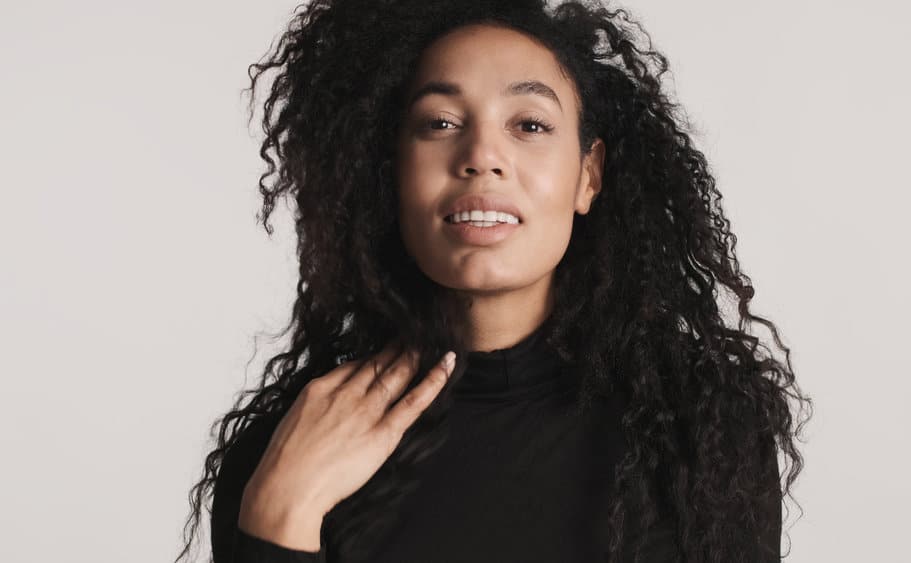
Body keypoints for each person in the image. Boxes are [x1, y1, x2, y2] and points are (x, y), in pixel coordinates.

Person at [174, 1, 812, 562]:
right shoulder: (287, 455)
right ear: (391, 172)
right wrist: (278, 521)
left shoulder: (700, 436)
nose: (480, 155)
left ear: (588, 176)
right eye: (440, 123)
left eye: (529, 124)